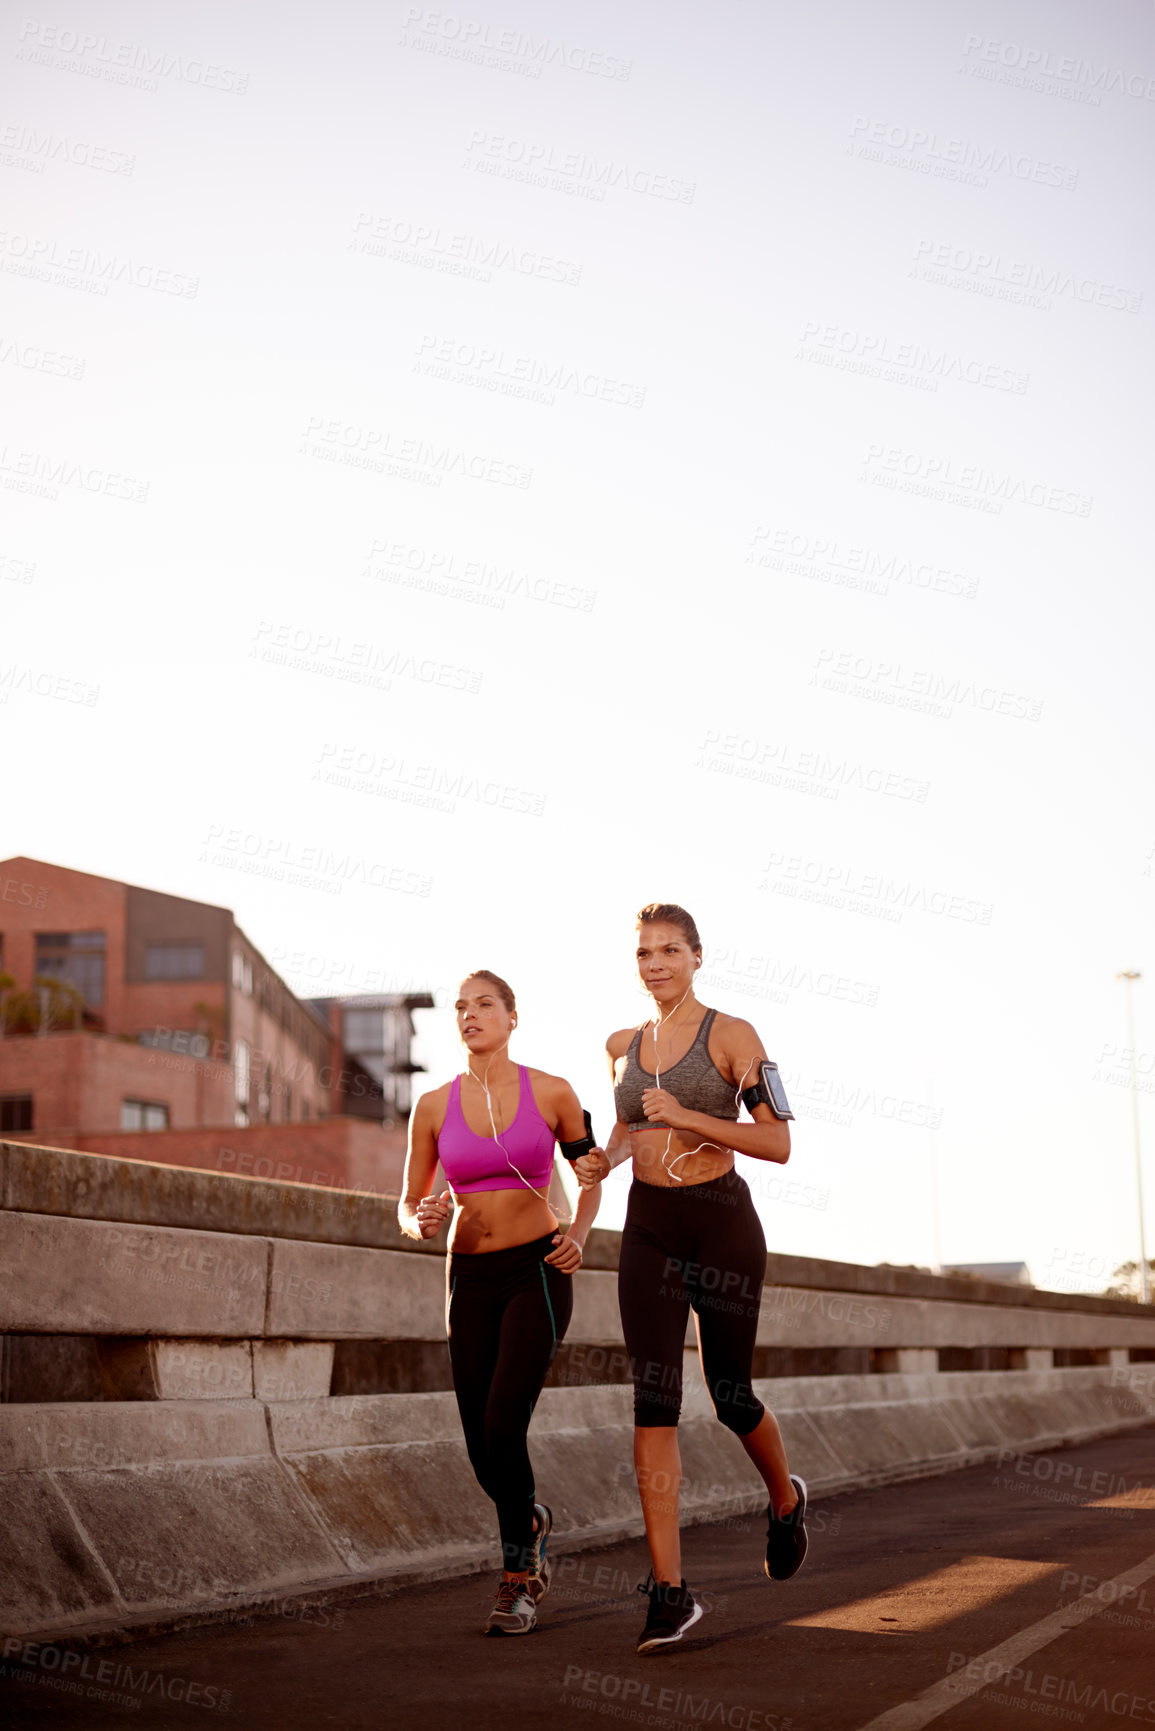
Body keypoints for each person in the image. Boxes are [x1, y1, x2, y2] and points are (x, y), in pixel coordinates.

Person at [574, 904, 807, 1654]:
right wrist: (599, 1163)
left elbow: (776, 1142)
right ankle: (669, 1593)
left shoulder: (732, 1035)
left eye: (668, 950)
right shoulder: (620, 1046)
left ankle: (784, 1497)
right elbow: (626, 1129)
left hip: (721, 1223)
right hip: (648, 1226)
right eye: (643, 952)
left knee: (730, 1394)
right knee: (653, 1400)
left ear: (696, 956)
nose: (654, 963)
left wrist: (688, 1115)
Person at [399, 969, 602, 1637]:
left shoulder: (552, 1091)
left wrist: (576, 1235)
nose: (469, 1014)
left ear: (512, 1017)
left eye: (484, 1004)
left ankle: (519, 1577)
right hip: (469, 1276)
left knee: (504, 1422)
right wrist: (421, 1218)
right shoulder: (432, 1104)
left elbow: (591, 1172)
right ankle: (531, 1517)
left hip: (536, 1270)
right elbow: (408, 1204)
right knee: (479, 1445)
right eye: (460, 1006)